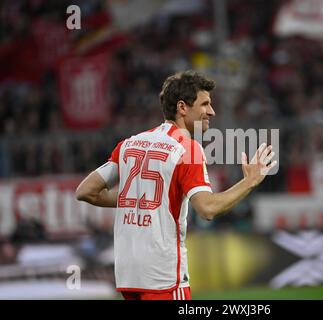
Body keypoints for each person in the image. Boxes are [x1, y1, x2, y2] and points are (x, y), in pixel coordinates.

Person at [75, 70, 277, 300]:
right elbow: (208, 209)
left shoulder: (130, 144)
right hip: (163, 277)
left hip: (128, 274)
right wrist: (249, 181)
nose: (211, 111)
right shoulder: (187, 149)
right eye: (205, 104)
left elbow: (85, 191)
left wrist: (137, 198)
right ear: (182, 107)